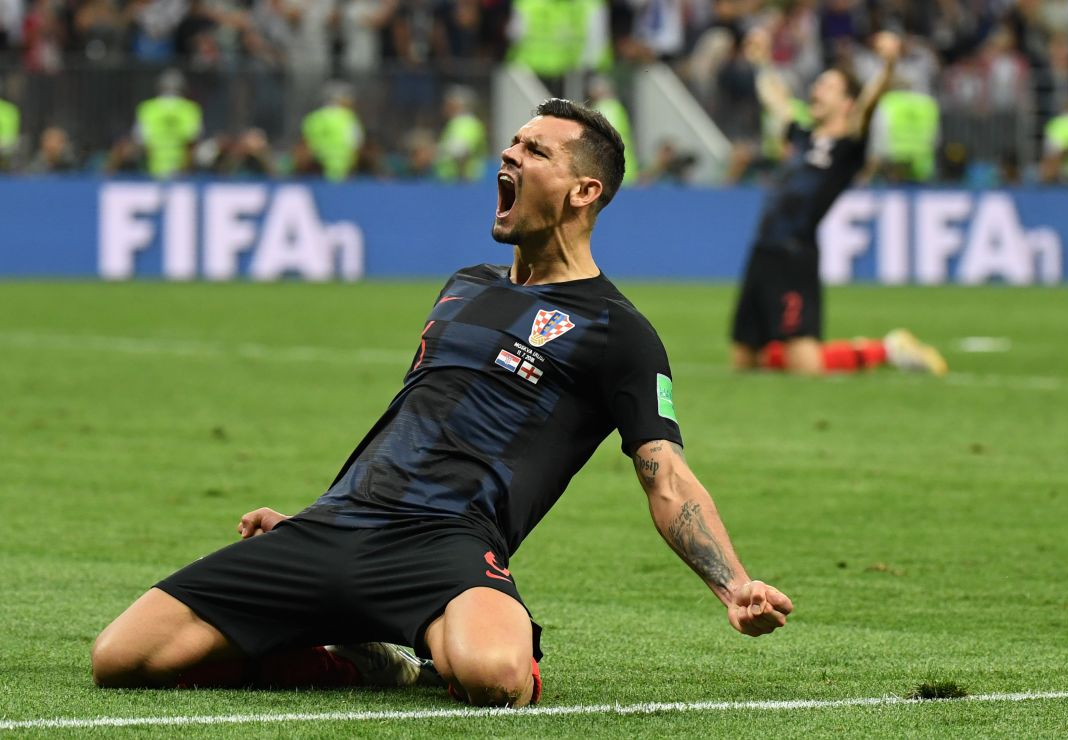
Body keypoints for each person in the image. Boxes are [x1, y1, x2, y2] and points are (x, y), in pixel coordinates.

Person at [90, 99, 793, 708]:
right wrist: (316, 512)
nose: (509, 153)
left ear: (584, 191)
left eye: (534, 150)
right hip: (340, 523)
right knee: (122, 658)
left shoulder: (621, 333)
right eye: (512, 143)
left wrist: (732, 585)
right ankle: (358, 659)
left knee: (493, 677)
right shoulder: (464, 284)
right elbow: (412, 420)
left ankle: (433, 639)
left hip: (447, 542)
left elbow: (663, 472)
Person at [731, 28, 947, 376]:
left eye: (827, 87)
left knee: (807, 365)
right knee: (744, 360)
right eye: (818, 85)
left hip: (794, 256)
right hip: (763, 253)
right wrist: (761, 62)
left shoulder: (849, 147)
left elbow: (870, 101)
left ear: (847, 103)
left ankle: (887, 349)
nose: (817, 90)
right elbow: (777, 100)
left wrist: (888, 64)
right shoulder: (803, 138)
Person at [134, 69, 203, 179]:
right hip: (182, 171)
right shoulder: (190, 109)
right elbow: (192, 143)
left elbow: (142, 142)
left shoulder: (147, 108)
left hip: (153, 170)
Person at [301, 79, 364, 182]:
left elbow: (307, 142)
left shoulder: (314, 117)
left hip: (318, 169)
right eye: (348, 98)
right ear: (339, 99)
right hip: (344, 170)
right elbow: (356, 143)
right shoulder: (350, 118)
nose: (352, 101)